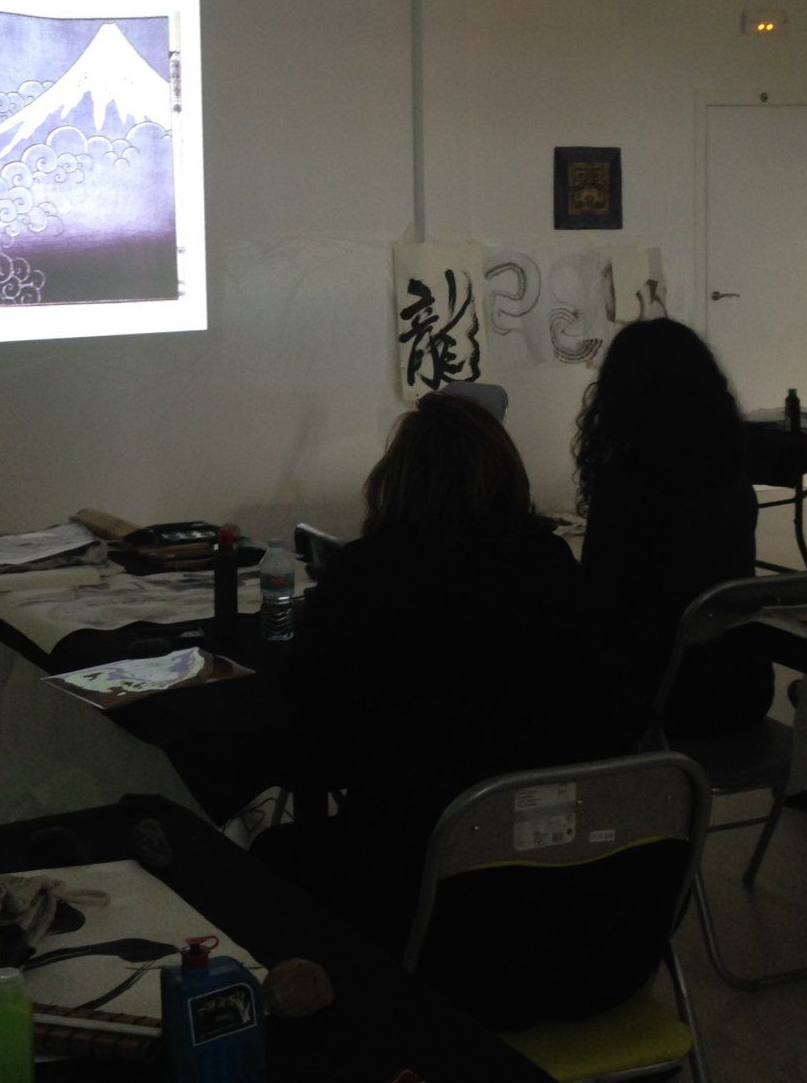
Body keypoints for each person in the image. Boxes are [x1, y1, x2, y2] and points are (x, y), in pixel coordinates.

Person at [269, 393, 633, 1001]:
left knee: (269, 861)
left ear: (396, 480)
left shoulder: (365, 574)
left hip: (431, 935)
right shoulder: (550, 566)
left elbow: (310, 739)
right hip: (582, 926)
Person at [574, 317, 768, 738]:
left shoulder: (629, 483)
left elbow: (596, 600)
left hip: (660, 693)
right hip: (744, 682)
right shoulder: (731, 479)